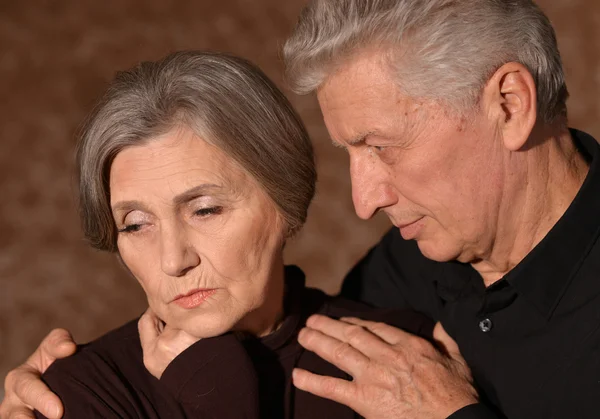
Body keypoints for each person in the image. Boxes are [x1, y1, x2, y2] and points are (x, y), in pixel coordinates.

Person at [3, 0, 600, 417]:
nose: (362, 202)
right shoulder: (397, 277)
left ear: (509, 104)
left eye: (381, 146)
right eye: (134, 223)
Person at [4, 50, 441, 419]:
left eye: (205, 210)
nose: (173, 260)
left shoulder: (406, 365)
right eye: (136, 225)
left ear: (283, 204)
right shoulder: (84, 392)